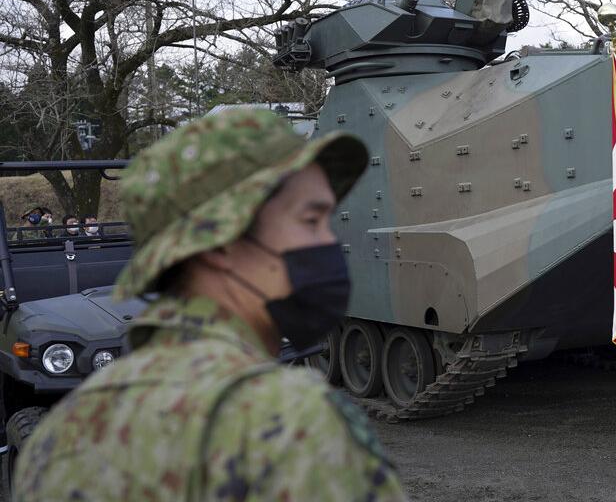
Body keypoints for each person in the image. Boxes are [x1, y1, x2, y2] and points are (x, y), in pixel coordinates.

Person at [14, 109, 405, 501]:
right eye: (310, 219)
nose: (327, 241)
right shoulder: (294, 425)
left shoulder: (59, 438)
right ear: (222, 244)